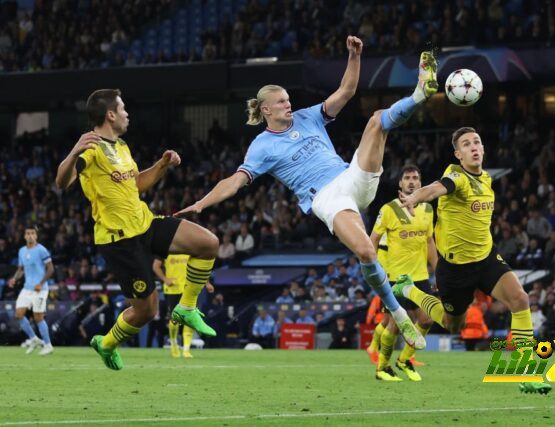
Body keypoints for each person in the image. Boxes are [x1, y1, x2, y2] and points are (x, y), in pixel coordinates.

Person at [176, 37, 439, 350]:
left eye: (289, 99)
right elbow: (235, 181)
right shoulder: (261, 147)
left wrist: (354, 56)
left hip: (352, 176)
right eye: (283, 101)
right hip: (328, 199)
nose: (289, 104)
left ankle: (420, 93)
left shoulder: (308, 116)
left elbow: (346, 92)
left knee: (375, 120)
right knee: (366, 253)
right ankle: (398, 313)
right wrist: (203, 202)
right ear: (266, 109)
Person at [55, 89, 220, 370]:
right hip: (120, 241)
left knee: (208, 243)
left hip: (145, 223)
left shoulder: (121, 147)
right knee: (147, 311)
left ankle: (187, 307)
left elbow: (136, 185)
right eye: (123, 108)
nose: (127, 113)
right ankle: (106, 343)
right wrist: (73, 152)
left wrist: (162, 165)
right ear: (110, 115)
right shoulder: (91, 149)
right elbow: (63, 181)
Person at [395, 127, 551, 393]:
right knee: (452, 324)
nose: (474, 147)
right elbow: (435, 189)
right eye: (466, 144)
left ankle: (525, 371)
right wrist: (414, 197)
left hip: (487, 258)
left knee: (520, 299)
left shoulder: (487, 179)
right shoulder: (457, 176)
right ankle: (409, 289)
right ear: (458, 154)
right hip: (455, 269)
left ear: (483, 148)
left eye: (477, 142)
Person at [368, 165, 438, 382]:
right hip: (396, 277)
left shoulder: (427, 210)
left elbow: (429, 242)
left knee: (427, 320)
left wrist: (439, 272)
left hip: (420, 277)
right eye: (407, 178)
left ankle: (405, 359)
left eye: (415, 178)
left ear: (420, 183)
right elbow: (373, 240)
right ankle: (382, 367)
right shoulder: (388, 209)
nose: (411, 182)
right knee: (397, 324)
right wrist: (374, 269)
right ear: (400, 183)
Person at [153, 254, 213, 358]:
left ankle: (186, 349)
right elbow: (155, 266)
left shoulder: (191, 248)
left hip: (189, 288)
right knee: (174, 319)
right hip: (172, 289)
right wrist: (165, 279)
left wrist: (207, 283)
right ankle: (174, 344)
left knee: (189, 318)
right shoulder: (168, 248)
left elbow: (201, 267)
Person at [7, 226, 55, 355]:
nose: (30, 236)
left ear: (36, 236)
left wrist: (41, 283)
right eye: (27, 233)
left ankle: (48, 345)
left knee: (38, 317)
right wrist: (14, 279)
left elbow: (51, 269)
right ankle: (34, 338)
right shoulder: (22, 251)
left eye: (32, 233)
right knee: (18, 315)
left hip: (40, 289)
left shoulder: (42, 250)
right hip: (27, 288)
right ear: (24, 236)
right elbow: (21, 269)